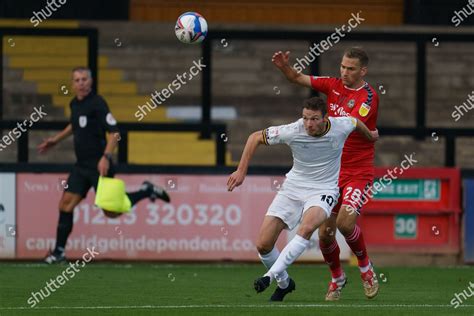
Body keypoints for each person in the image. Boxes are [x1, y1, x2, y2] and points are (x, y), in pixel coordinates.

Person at [227, 97, 378, 301]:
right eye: (306, 118)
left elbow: (356, 122)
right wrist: (241, 171)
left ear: (326, 118)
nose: (309, 124)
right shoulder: (293, 130)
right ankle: (285, 283)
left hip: (324, 190)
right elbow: (255, 137)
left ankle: (269, 278)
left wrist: (370, 136)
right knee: (263, 245)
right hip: (293, 188)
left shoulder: (340, 125)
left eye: (314, 119)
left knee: (306, 229)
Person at [272, 47, 380, 300]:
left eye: (350, 68)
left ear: (363, 70)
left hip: (357, 171)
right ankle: (337, 279)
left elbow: (350, 125)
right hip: (331, 173)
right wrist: (284, 68)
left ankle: (366, 269)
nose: (344, 72)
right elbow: (298, 78)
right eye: (342, 66)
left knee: (345, 223)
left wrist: (368, 134)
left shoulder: (368, 97)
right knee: (325, 234)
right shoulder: (333, 85)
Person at [38, 67, 170, 264]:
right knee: (65, 205)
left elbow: (115, 132)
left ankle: (145, 190)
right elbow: (74, 125)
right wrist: (55, 140)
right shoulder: (74, 103)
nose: (81, 83)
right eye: (77, 80)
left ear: (90, 82)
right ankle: (59, 252)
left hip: (100, 166)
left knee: (112, 212)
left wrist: (106, 156)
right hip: (81, 166)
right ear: (72, 84)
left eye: (84, 79)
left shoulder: (98, 103)